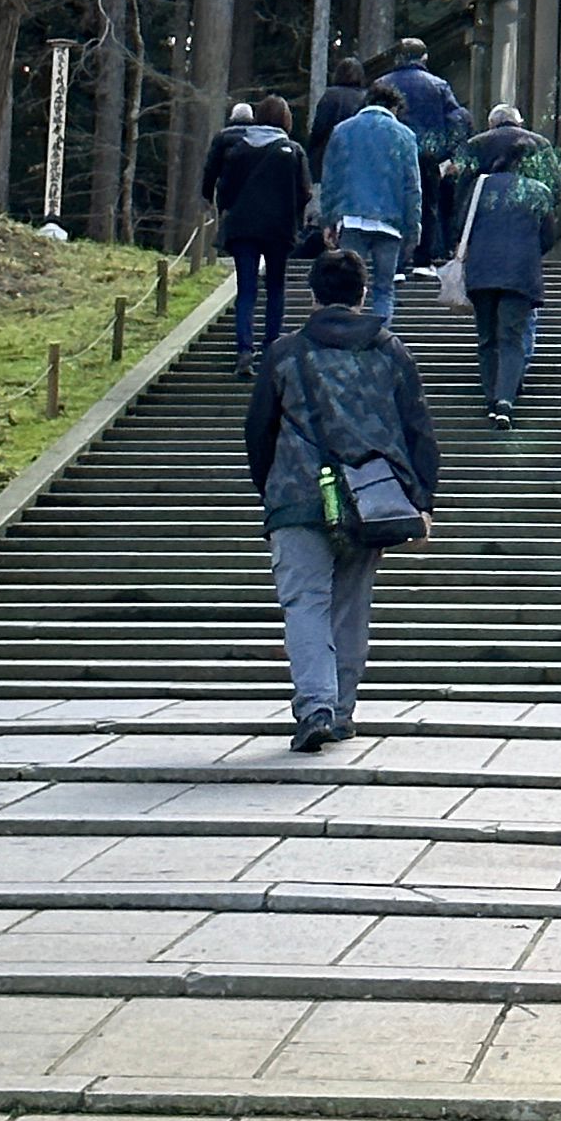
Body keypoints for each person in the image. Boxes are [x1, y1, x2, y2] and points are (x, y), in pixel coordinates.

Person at [244, 243, 439, 750]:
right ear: (362, 294)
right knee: (351, 603)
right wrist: (423, 498)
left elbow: (258, 429)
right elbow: (418, 426)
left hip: (296, 496)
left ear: (311, 294)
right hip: (368, 500)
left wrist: (270, 487)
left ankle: (316, 706)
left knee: (305, 602)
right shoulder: (390, 349)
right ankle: (343, 708)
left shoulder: (285, 353)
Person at [446, 102, 560, 425]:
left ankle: (491, 397)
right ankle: (506, 400)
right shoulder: (538, 189)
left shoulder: (479, 185)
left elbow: (460, 219)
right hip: (521, 272)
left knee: (487, 339)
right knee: (512, 336)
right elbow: (548, 235)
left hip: (482, 270)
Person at [201, 93, 308, 371]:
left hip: (243, 225)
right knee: (275, 287)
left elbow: (223, 185)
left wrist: (226, 208)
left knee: (246, 289)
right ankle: (271, 345)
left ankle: (244, 350)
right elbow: (304, 191)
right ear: (286, 119)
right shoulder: (293, 150)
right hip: (279, 227)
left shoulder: (238, 147)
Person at [318, 76, 424, 326]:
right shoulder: (404, 136)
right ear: (394, 107)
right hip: (390, 222)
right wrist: (413, 226)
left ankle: (345, 334)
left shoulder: (343, 130)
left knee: (347, 286)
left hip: (352, 218)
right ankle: (380, 340)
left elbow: (331, 179)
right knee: (384, 288)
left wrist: (328, 220)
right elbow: (412, 187)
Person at [386, 35, 473, 267]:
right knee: (427, 203)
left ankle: (395, 258)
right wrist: (454, 155)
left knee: (394, 202)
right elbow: (457, 120)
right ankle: (423, 257)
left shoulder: (383, 84)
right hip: (427, 154)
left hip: (390, 153)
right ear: (425, 57)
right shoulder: (438, 85)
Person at [303, 51, 370, 176]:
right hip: (360, 156)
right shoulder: (367, 97)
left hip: (332, 155)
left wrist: (311, 152)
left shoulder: (331, 95)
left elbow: (320, 128)